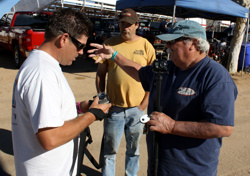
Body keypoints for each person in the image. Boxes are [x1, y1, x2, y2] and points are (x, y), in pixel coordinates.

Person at [88, 20, 238, 176]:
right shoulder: (168, 68)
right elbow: (139, 72)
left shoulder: (215, 77)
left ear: (193, 44)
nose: (167, 46)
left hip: (192, 170)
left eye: (172, 42)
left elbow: (222, 127)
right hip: (158, 167)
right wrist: (114, 55)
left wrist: (172, 126)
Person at [11, 8, 111, 176]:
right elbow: (51, 138)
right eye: (79, 46)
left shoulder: (44, 65)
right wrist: (93, 114)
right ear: (64, 39)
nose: (80, 52)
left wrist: (81, 107)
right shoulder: (42, 73)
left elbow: (45, 110)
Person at [95, 8, 156, 176]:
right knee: (109, 151)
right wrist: (102, 98)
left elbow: (154, 78)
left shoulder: (145, 45)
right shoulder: (110, 44)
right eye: (122, 23)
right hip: (114, 109)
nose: (125, 28)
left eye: (129, 24)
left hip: (137, 109)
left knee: (133, 150)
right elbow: (100, 74)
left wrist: (144, 104)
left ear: (137, 25)